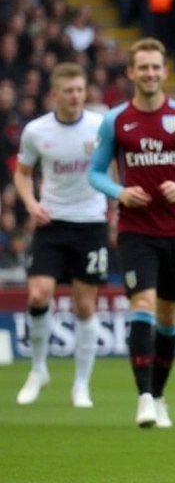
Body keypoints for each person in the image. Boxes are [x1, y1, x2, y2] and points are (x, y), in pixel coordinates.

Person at [88, 38, 175, 428]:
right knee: (141, 304)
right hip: (135, 230)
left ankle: (159, 395)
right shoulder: (116, 121)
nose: (150, 73)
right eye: (142, 67)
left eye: (156, 67)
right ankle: (143, 396)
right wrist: (120, 192)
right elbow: (95, 172)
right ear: (131, 72)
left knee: (168, 317)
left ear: (164, 71)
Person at [14, 63, 107, 408]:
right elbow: (22, 174)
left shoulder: (99, 126)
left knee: (85, 305)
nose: (76, 96)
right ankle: (38, 370)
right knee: (38, 295)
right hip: (52, 222)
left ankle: (81, 385)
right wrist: (31, 203)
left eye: (80, 90)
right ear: (55, 94)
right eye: (69, 91)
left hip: (91, 224)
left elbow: (115, 163)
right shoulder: (37, 131)